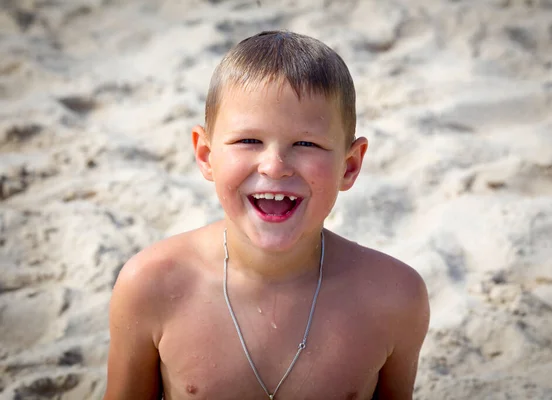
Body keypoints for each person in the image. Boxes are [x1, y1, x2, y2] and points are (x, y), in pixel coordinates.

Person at [103, 30, 429, 400]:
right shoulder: (152, 285)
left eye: (306, 144)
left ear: (349, 166)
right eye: (248, 141)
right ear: (206, 155)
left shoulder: (394, 296)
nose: (275, 166)